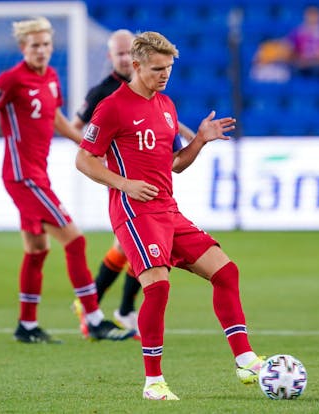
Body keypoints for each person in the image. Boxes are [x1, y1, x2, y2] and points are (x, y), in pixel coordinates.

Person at [76, 31, 263, 400]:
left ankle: (245, 359)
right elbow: (83, 159)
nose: (164, 75)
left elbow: (175, 164)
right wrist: (124, 184)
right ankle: (153, 382)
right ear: (136, 65)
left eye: (169, 68)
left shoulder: (166, 105)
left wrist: (200, 140)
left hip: (167, 209)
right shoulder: (112, 107)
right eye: (157, 68)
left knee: (226, 271)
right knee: (158, 289)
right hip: (134, 211)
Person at [0, 17, 135, 343]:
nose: (42, 50)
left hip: (37, 175)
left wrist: (88, 146)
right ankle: (94, 319)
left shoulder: (52, 78)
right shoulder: (12, 79)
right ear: (23, 48)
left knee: (37, 249)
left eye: (46, 45)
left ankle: (27, 326)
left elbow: (58, 120)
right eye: (35, 46)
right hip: (22, 177)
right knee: (75, 239)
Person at [71, 29, 195, 337]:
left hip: (146, 183)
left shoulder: (154, 91)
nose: (125, 57)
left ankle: (113, 308)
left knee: (132, 250)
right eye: (120, 53)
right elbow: (79, 132)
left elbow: (157, 119)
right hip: (122, 180)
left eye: (129, 51)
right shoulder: (104, 94)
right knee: (135, 249)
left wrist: (192, 134)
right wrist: (103, 157)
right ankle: (104, 308)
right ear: (111, 56)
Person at [286, 4, 319, 76]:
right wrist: (299, 60)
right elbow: (290, 53)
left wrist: (311, 62)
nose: (312, 17)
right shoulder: (296, 33)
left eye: (315, 14)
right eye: (310, 14)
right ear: (305, 15)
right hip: (300, 64)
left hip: (317, 65)